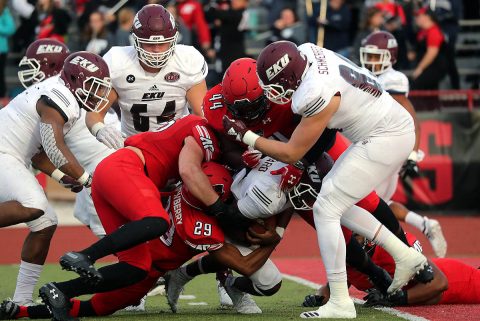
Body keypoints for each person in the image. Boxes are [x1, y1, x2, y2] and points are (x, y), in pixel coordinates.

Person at [223, 41, 433, 319]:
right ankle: (406, 256)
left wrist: (246, 136)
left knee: (325, 209)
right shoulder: (307, 52)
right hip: (382, 128)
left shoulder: (312, 93)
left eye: (273, 87)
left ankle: (340, 302)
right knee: (334, 203)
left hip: (386, 137)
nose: (270, 94)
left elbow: (291, 151)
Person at [0, 162, 282, 320]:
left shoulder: (177, 188)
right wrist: (273, 239)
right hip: (146, 272)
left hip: (140, 246)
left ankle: (22, 311)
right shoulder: (202, 225)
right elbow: (243, 265)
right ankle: (26, 310)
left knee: (98, 298)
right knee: (94, 308)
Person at [49, 114, 244, 320]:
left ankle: (57, 292)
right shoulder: (204, 136)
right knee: (158, 221)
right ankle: (85, 256)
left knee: (136, 269)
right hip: (125, 168)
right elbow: (188, 170)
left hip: (121, 176)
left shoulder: (195, 130)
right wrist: (219, 207)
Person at [0, 50, 112, 302]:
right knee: (33, 206)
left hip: (11, 154)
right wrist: (87, 180)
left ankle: (21, 299)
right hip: (3, 151)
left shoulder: (61, 94)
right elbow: (53, 144)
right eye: (95, 86)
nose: (99, 94)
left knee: (45, 223)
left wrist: (62, 177)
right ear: (75, 80)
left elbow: (38, 154)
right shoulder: (61, 97)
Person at [360, 30, 447, 258]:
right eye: (368, 55)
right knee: (381, 203)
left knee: (362, 205)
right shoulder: (366, 75)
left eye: (375, 56)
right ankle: (425, 226)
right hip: (376, 145)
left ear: (390, 57)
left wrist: (412, 154)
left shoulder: (393, 79)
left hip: (386, 148)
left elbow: (411, 119)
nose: (370, 61)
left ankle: (402, 253)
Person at [86, 4, 209, 150]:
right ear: (136, 40)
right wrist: (100, 129)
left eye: (162, 43)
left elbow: (202, 116)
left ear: (173, 40)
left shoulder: (187, 60)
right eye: (150, 44)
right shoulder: (118, 62)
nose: (157, 50)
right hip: (134, 147)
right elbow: (94, 113)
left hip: (178, 145)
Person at [304, 232, 480, 307]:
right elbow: (333, 287)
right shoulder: (348, 258)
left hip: (459, 281)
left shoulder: (389, 250)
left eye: (354, 235)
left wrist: (397, 298)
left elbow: (439, 283)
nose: (347, 240)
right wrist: (319, 298)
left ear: (367, 236)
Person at [411, 7, 447, 90]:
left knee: (416, 88)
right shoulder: (423, 32)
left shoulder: (433, 31)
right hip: (429, 68)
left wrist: (420, 68)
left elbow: (432, 53)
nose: (416, 19)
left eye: (419, 16)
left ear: (427, 17)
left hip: (434, 68)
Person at [0, 0, 15, 98]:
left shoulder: (4, 12)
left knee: (0, 74)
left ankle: (2, 95)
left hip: (1, 50)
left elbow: (11, 29)